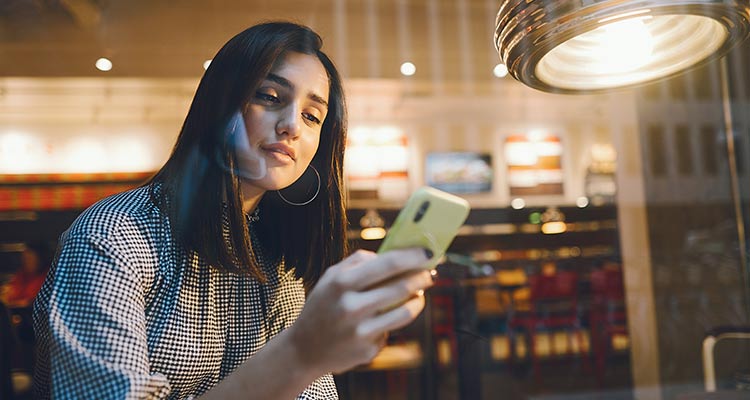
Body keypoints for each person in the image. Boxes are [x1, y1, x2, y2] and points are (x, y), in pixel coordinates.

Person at [32, 22, 435, 399]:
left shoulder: (276, 257)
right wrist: (300, 354)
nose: (292, 125)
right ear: (220, 103)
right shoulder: (114, 236)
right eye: (269, 97)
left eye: (312, 116)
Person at [1, 244, 48, 309]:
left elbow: (30, 303)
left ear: (40, 259)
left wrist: (10, 304)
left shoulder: (46, 277)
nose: (25, 262)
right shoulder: (22, 273)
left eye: (29, 258)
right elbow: (10, 292)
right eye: (24, 258)